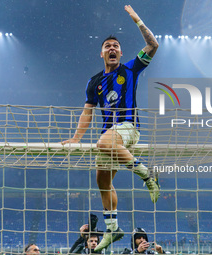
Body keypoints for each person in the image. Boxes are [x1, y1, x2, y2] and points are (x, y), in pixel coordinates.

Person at [62, 4, 159, 252]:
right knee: (102, 181)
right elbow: (87, 111)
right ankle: (113, 229)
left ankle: (148, 175)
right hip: (110, 134)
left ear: (120, 52)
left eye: (116, 46)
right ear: (101, 54)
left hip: (128, 128)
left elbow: (153, 46)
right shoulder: (94, 82)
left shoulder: (129, 69)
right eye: (108, 46)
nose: (112, 48)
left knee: (103, 143)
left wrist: (138, 21)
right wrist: (75, 136)